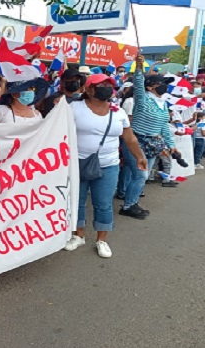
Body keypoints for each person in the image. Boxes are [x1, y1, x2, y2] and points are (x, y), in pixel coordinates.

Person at [65, 74, 147, 258]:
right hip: (78, 163)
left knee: (103, 204)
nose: (105, 88)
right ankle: (78, 235)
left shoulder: (118, 112)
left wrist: (138, 157)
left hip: (109, 165)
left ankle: (101, 240)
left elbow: (130, 137)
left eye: (108, 85)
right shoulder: (74, 108)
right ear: (88, 89)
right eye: (100, 85)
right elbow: (59, 131)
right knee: (77, 202)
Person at [119, 55, 180, 220]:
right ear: (152, 87)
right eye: (162, 84)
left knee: (141, 177)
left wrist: (172, 145)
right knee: (140, 175)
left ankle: (133, 202)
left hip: (153, 143)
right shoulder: (143, 98)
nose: (165, 86)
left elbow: (164, 127)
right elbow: (138, 83)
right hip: (136, 141)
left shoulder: (163, 104)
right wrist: (139, 67)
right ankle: (127, 206)